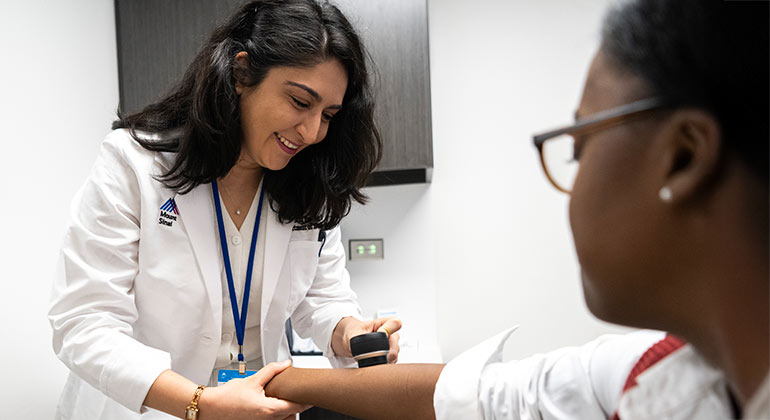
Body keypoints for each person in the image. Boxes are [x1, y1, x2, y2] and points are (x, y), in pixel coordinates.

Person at [261, 0, 770, 418]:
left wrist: (274, 373)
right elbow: (479, 395)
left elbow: (326, 305)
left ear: (683, 157)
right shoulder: (643, 375)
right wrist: (243, 388)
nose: (311, 131)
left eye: (578, 145)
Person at [48, 1, 402, 419]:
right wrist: (200, 403)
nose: (311, 132)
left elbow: (320, 298)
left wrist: (348, 331)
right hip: (145, 410)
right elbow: (84, 322)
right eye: (298, 101)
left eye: (328, 115)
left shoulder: (306, 182)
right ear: (242, 73)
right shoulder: (135, 164)